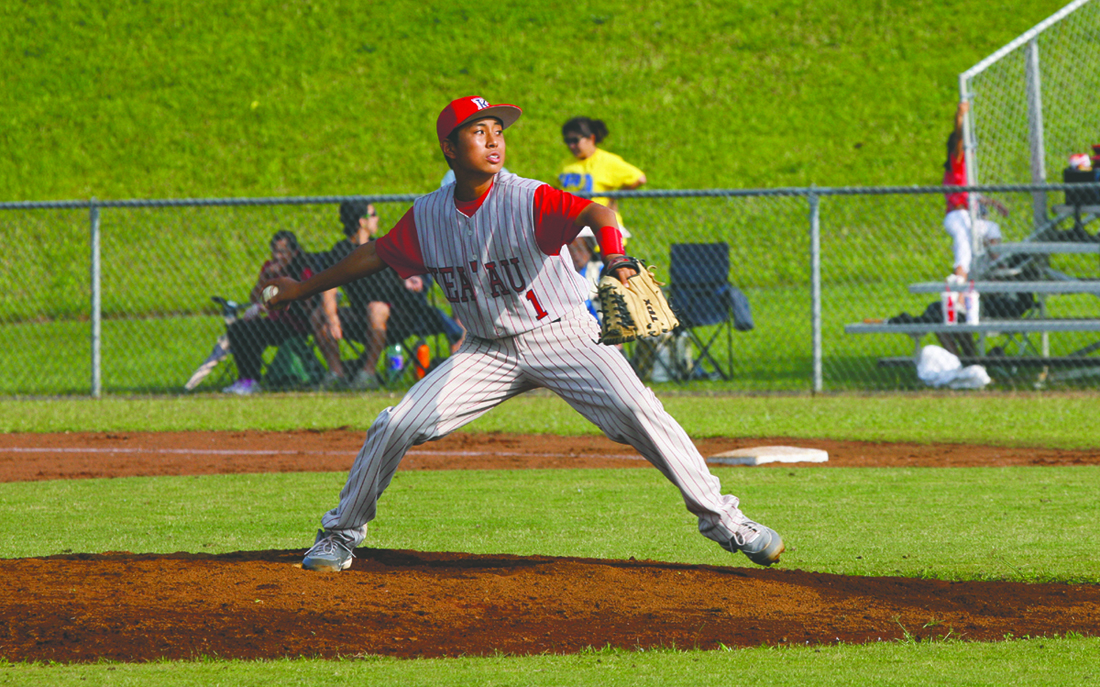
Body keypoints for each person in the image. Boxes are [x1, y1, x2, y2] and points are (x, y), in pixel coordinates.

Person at [264, 95, 784, 573]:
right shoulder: (428, 216)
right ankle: (340, 534)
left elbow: (598, 211)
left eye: (498, 130)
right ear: (449, 148)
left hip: (563, 336)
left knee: (641, 413)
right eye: (478, 131)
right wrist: (301, 288)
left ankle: (726, 521)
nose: (494, 140)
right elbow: (374, 254)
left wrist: (615, 253)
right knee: (396, 423)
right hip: (487, 350)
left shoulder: (526, 198)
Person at [312, 200, 463, 389]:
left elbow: (405, 270)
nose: (377, 218)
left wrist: (410, 279)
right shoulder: (341, 251)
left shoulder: (382, 245)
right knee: (319, 315)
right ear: (361, 221)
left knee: (376, 308)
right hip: (362, 315)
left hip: (401, 315)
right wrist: (332, 319)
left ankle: (368, 374)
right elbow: (329, 287)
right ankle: (337, 373)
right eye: (373, 214)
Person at [221, 230, 315, 395]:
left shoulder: (303, 270)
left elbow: (307, 303)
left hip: (295, 324)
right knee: (239, 328)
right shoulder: (269, 268)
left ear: (294, 252)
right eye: (274, 251)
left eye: (282, 252)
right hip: (275, 322)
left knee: (253, 331)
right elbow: (254, 297)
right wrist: (266, 277)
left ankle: (252, 380)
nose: (277, 256)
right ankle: (247, 379)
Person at [943, 101, 1008, 281]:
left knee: (992, 229)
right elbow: (959, 137)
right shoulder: (958, 164)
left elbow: (972, 195)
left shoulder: (966, 173)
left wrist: (994, 203)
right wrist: (960, 115)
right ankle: (960, 281)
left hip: (967, 215)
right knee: (964, 247)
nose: (973, 153)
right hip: (957, 216)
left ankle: (998, 269)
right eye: (970, 149)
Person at [558, 116, 646, 235]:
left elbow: (639, 178)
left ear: (591, 138)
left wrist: (614, 196)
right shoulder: (566, 164)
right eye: (567, 141)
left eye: (575, 140)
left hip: (601, 226)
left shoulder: (607, 161)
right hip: (574, 226)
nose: (571, 146)